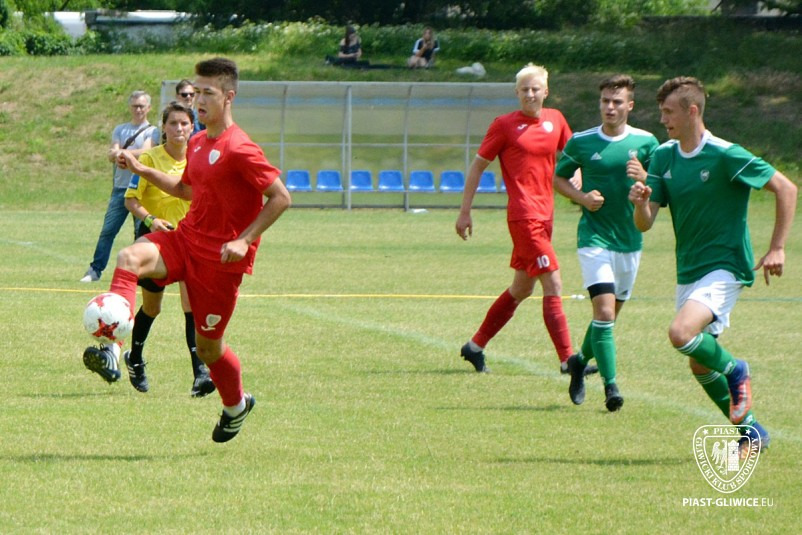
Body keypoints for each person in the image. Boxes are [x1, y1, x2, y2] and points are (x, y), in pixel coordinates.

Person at [82, 57, 292, 443]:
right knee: (129, 257)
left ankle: (236, 406)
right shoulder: (197, 142)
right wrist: (142, 169)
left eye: (208, 93)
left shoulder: (241, 148)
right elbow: (185, 190)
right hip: (185, 240)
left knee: (208, 349)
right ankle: (112, 347)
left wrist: (244, 239)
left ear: (229, 97)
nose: (199, 101)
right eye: (197, 93)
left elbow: (280, 197)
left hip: (219, 263)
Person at [628, 76, 796, 454]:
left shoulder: (725, 154)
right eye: (661, 112)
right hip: (689, 269)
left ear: (692, 111)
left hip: (726, 265)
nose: (662, 119)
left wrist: (777, 248)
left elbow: (786, 189)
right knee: (700, 364)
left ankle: (737, 370)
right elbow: (645, 223)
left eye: (668, 112)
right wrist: (639, 202)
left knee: (680, 333)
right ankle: (751, 432)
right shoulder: (664, 156)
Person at [455, 63, 595, 377]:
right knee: (553, 282)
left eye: (535, 89)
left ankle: (474, 346)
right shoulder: (504, 125)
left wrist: (579, 179)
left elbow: (574, 156)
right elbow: (477, 167)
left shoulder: (556, 120)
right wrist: (465, 211)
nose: (530, 94)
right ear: (517, 93)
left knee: (521, 288)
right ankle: (567, 360)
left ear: (546, 91)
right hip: (524, 216)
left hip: (546, 217)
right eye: (524, 90)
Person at [553, 74, 659, 411]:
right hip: (594, 238)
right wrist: (582, 198)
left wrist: (644, 178)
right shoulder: (582, 142)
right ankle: (611, 387)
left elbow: (659, 186)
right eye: (605, 101)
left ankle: (579, 361)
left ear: (630, 105)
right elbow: (558, 178)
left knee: (608, 318)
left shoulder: (647, 143)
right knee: (603, 310)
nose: (610, 107)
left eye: (617, 102)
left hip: (630, 240)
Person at [123, 101, 215, 398]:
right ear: (163, 127)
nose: (178, 128)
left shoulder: (198, 158)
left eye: (184, 123)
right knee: (153, 307)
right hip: (157, 242)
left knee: (192, 306)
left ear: (192, 127)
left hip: (191, 241)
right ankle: (135, 358)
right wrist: (151, 220)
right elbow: (130, 200)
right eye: (173, 123)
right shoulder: (149, 158)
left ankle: (200, 374)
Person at [80, 91, 159, 283]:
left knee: (141, 232)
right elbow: (111, 153)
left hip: (141, 189)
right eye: (135, 106)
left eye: (141, 106)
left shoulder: (152, 131)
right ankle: (95, 269)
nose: (138, 109)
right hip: (120, 189)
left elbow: (146, 152)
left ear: (148, 108)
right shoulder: (120, 129)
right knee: (108, 230)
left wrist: (121, 154)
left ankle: (138, 272)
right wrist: (119, 154)